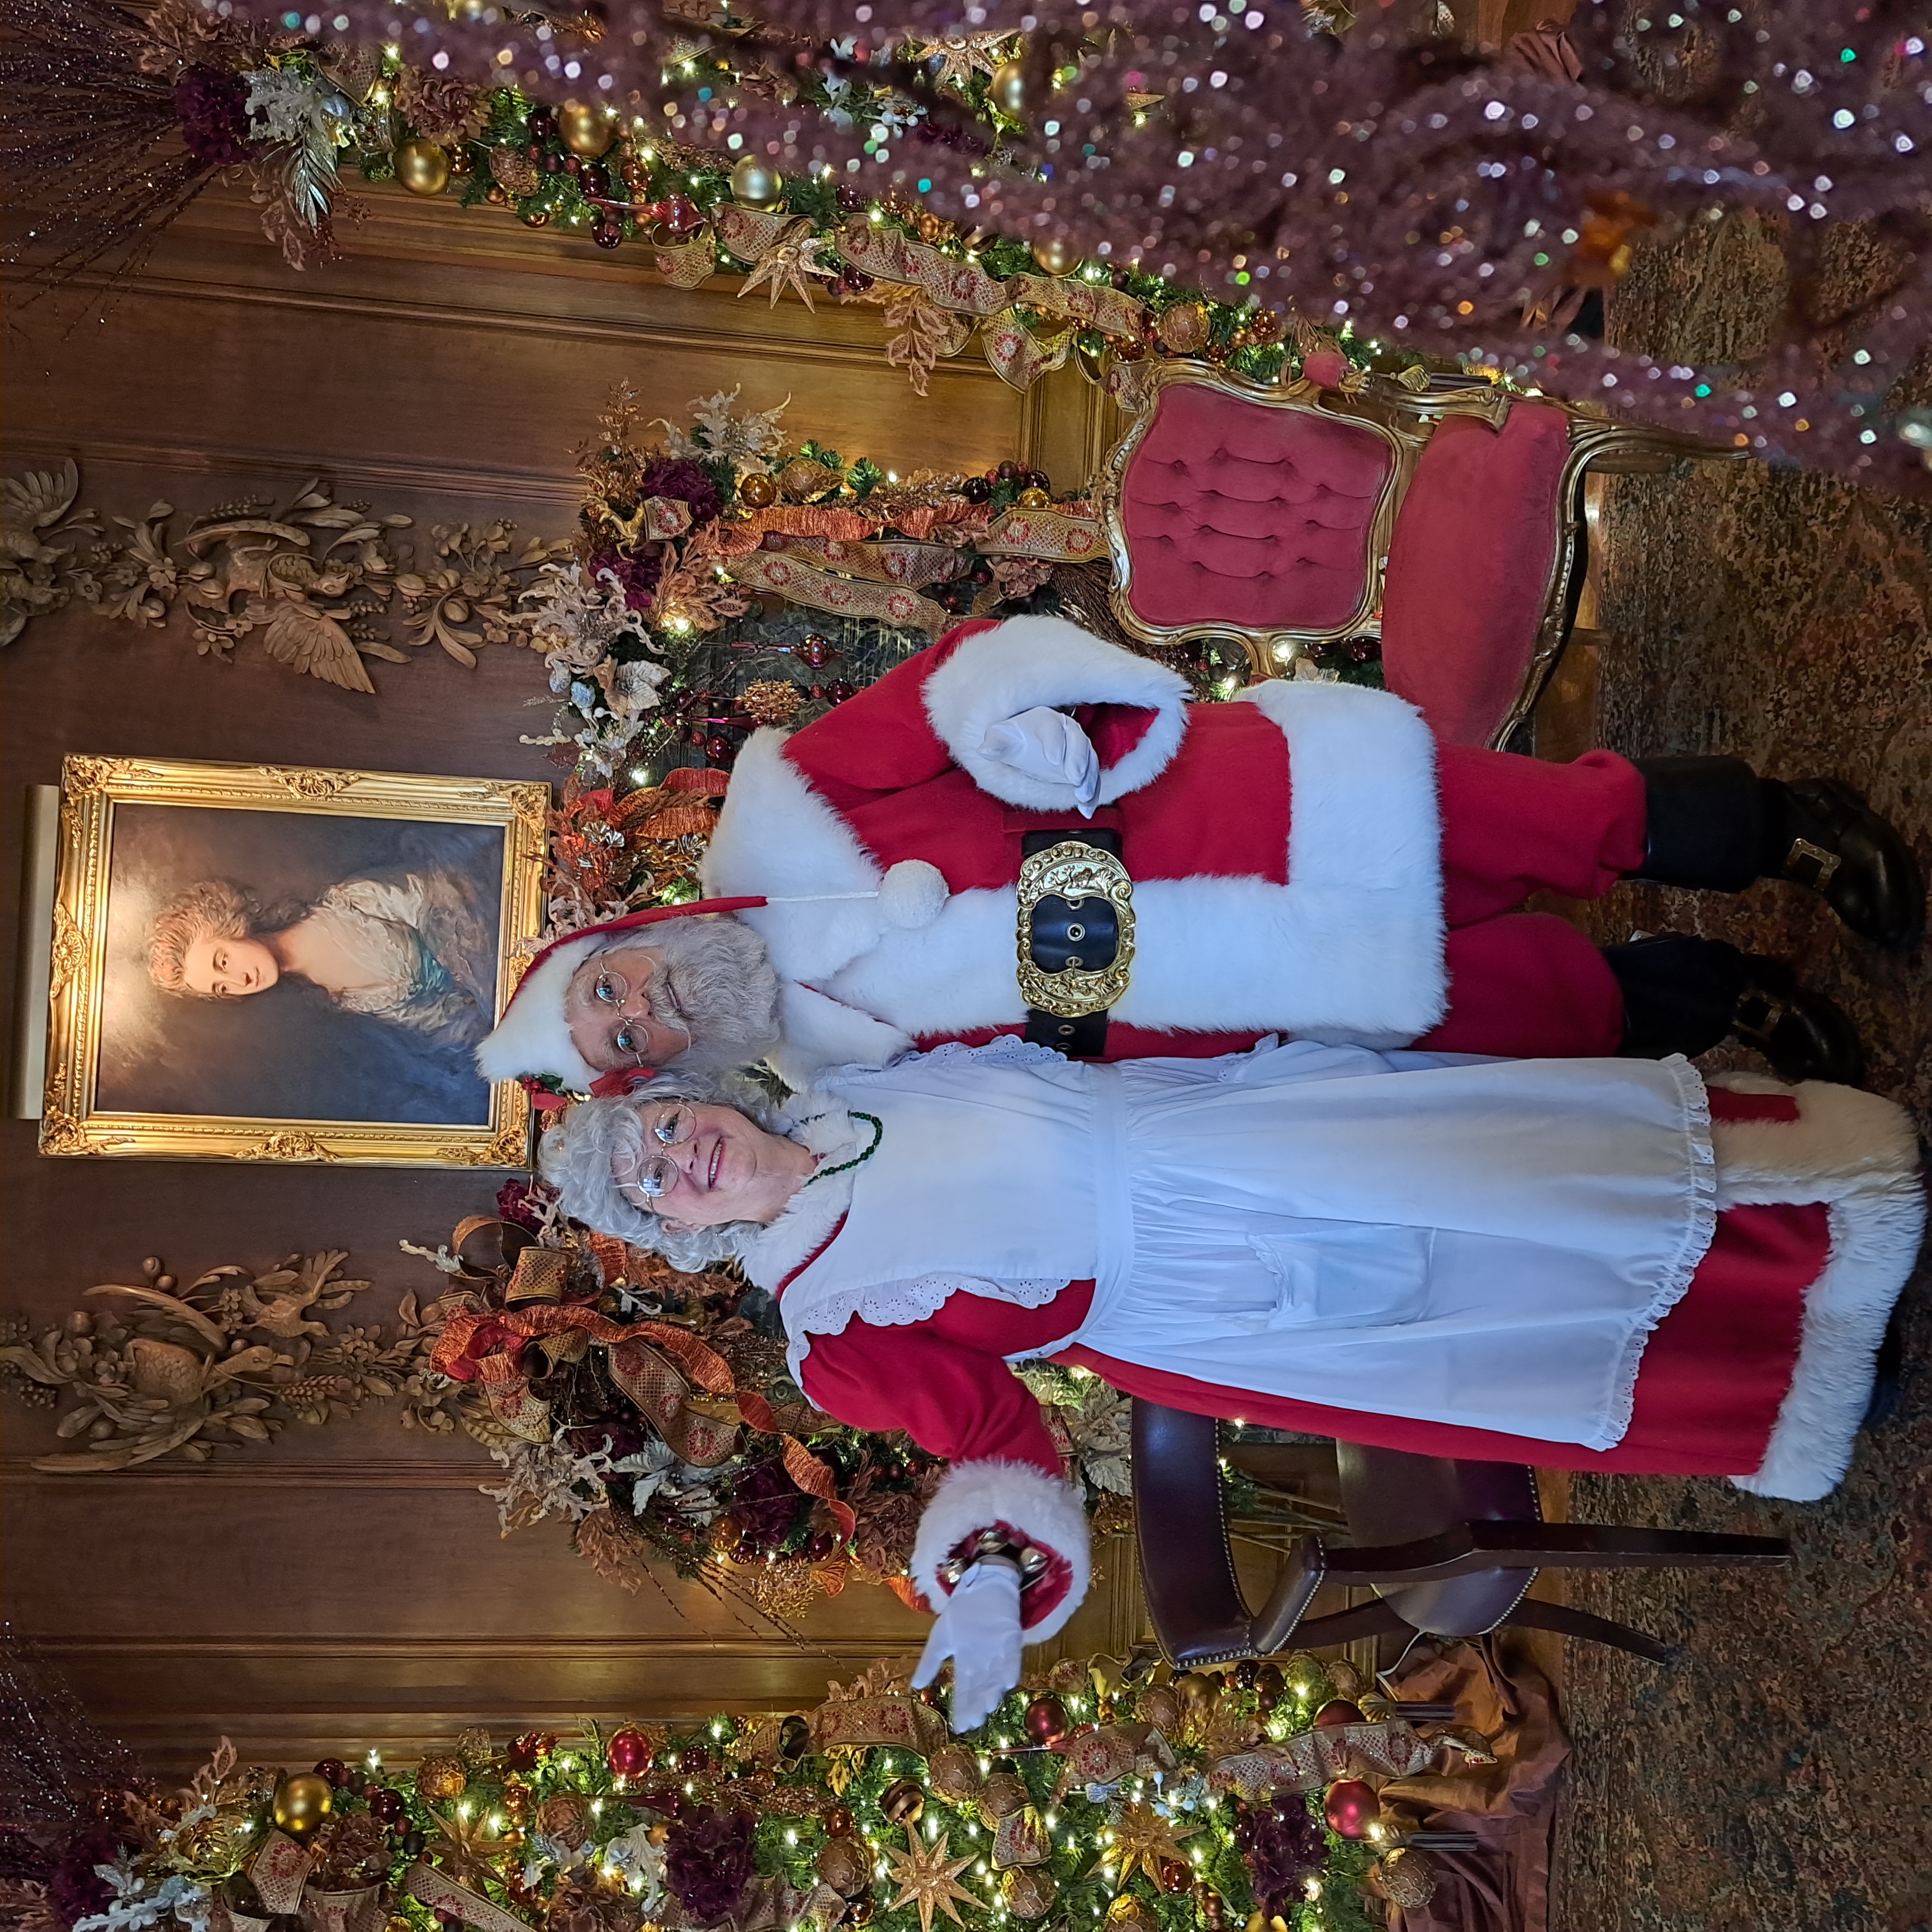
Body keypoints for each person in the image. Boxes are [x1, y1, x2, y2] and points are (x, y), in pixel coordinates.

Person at [539, 1039, 1924, 1730]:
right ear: (679, 1232)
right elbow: (990, 1429)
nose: (680, 1153)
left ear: (697, 1094)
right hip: (1212, 1292)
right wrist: (982, 1574)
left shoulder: (854, 1083)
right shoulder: (830, 1327)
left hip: (1241, 1128)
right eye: (654, 1178)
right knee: (1492, 1306)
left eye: (661, 1123)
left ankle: (1808, 1202)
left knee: (1512, 1165)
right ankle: (1782, 1369)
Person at [476, 614, 1921, 1099]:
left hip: (1234, 812)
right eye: (624, 1042)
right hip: (1230, 995)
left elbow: (958, 676)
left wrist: (1018, 730)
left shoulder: (782, 800)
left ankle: (1785, 827)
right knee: (1521, 1006)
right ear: (651, 1070)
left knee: (1553, 828)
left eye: (611, 990)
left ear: (625, 940)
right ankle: (1716, 996)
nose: (641, 1013)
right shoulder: (827, 1071)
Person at [149, 871, 498, 1050]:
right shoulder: (333, 1002)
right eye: (221, 987)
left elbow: (448, 902)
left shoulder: (346, 905)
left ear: (229, 925)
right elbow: (434, 1021)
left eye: (222, 962)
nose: (239, 981)